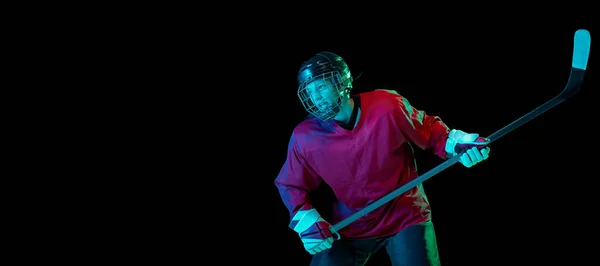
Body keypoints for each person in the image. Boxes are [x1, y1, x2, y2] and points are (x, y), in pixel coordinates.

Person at [274, 51, 490, 266]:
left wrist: (459, 145)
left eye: (321, 87)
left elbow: (431, 133)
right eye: (310, 92)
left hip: (406, 216)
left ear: (340, 81)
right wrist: (307, 222)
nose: (316, 98)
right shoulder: (305, 137)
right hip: (352, 225)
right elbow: (290, 184)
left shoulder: (387, 106)